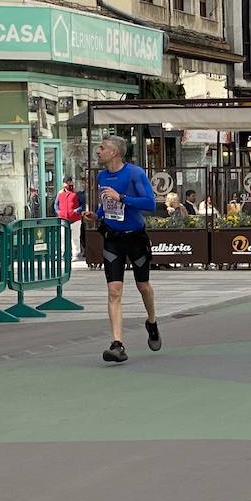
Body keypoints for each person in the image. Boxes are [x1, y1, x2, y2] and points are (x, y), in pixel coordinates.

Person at [95, 136, 161, 365]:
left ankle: (151, 321)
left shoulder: (134, 173)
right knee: (114, 291)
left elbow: (150, 204)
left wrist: (122, 197)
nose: (98, 151)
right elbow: (106, 204)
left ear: (114, 152)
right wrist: (98, 214)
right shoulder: (101, 176)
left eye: (102, 148)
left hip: (136, 238)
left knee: (143, 287)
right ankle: (117, 344)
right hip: (113, 239)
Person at [55, 176, 86, 258]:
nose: (68, 184)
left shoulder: (77, 193)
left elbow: (83, 204)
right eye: (66, 182)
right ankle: (62, 253)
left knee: (75, 237)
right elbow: (56, 204)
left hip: (75, 219)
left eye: (69, 182)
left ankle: (76, 253)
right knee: (63, 237)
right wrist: (59, 212)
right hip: (63, 219)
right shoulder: (60, 193)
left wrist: (77, 210)